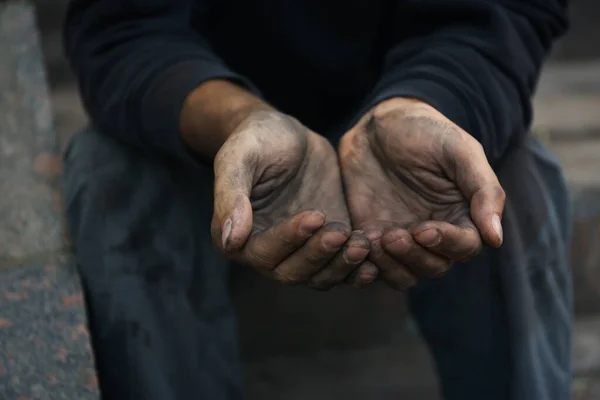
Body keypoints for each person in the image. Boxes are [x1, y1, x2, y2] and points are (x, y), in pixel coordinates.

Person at [62, 0, 572, 399]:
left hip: (403, 103)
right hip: (213, 119)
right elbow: (123, 29)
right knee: (109, 177)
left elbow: (501, 15)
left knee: (513, 184)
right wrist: (239, 121)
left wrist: (421, 104)